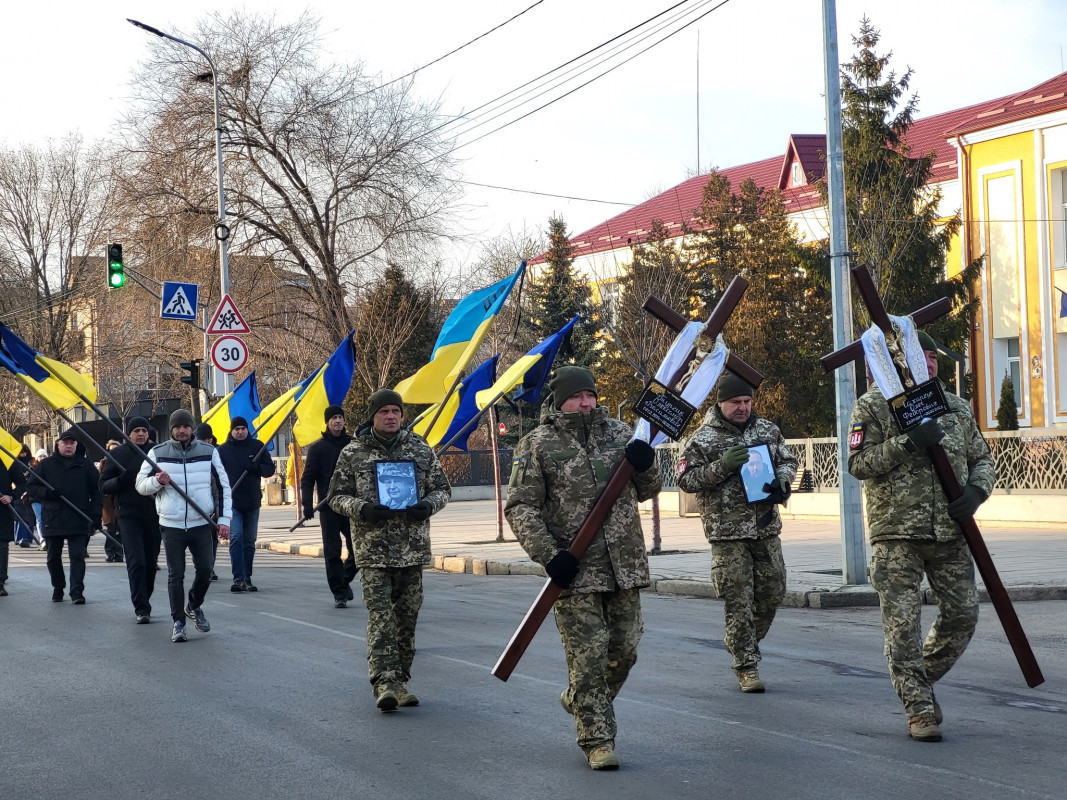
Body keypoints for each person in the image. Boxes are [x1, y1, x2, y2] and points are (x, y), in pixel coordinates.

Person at [504, 366, 662, 771]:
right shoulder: (537, 444)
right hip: (575, 572)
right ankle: (597, 740)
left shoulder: (621, 433)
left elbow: (649, 489)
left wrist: (646, 463)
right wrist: (548, 554)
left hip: (624, 565)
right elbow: (521, 506)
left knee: (624, 652)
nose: (586, 402)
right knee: (588, 659)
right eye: (577, 396)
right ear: (560, 401)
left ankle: (578, 700)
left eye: (590, 394)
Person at [847, 331, 995, 743]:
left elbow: (982, 457)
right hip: (897, 535)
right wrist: (909, 442)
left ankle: (917, 682)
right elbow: (858, 463)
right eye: (920, 356)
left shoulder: (956, 408)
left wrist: (976, 492)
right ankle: (919, 710)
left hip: (950, 532)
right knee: (903, 627)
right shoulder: (874, 405)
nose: (928, 364)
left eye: (932, 357)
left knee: (964, 614)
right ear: (901, 361)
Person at [328, 389, 451, 712]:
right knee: (381, 618)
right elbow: (336, 496)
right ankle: (384, 682)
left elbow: (442, 488)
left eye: (396, 411)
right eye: (384, 412)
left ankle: (401, 680)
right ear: (373, 416)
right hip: (373, 551)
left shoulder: (419, 449)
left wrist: (428, 505)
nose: (391, 416)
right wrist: (363, 508)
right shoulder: (353, 453)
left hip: (412, 550)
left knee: (407, 619)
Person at [677, 373, 797, 693]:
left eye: (747, 401)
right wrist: (723, 466)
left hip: (765, 527)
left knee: (773, 592)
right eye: (736, 402)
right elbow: (686, 480)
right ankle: (746, 665)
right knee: (738, 599)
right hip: (726, 533)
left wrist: (783, 483)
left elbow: (787, 461)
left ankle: (739, 640)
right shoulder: (702, 439)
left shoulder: (767, 430)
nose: (743, 407)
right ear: (721, 404)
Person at [136, 409, 232, 643]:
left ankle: (194, 605)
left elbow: (223, 487)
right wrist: (156, 481)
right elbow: (140, 485)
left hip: (202, 522)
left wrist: (223, 520)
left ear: (192, 429)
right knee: (175, 574)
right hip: (172, 524)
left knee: (206, 570)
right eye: (177, 427)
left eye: (186, 426)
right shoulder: (157, 452)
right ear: (171, 429)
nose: (182, 430)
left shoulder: (208, 452)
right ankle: (178, 622)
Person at [100, 418, 162, 623]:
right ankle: (141, 607)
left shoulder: (157, 452)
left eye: (144, 430)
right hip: (128, 515)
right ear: (128, 433)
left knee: (151, 564)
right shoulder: (117, 455)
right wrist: (121, 480)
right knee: (136, 562)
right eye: (136, 430)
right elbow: (103, 485)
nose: (141, 434)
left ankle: (145, 596)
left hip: (154, 514)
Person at [28, 431, 102, 604]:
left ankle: (77, 591)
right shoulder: (46, 465)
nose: (68, 446)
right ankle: (58, 586)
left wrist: (95, 514)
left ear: (76, 445)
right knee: (53, 556)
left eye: (72, 443)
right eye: (65, 443)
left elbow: (96, 492)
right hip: (54, 516)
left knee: (77, 556)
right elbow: (32, 486)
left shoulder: (85, 465)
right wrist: (47, 493)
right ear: (58, 445)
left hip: (78, 516)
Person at [301, 404, 358, 608]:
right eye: (333, 418)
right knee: (332, 552)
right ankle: (339, 593)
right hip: (329, 507)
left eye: (340, 417)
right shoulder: (318, 448)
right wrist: (307, 504)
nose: (337, 421)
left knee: (358, 550)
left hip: (352, 506)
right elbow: (308, 479)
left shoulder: (353, 445)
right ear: (327, 422)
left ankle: (343, 580)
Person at [217, 416, 275, 593]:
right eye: (237, 429)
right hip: (232, 502)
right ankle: (238, 578)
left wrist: (256, 468)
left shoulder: (257, 447)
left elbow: (269, 469)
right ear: (231, 431)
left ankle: (247, 577)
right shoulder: (223, 450)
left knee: (249, 541)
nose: (240, 432)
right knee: (236, 538)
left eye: (243, 428)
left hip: (252, 501)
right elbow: (215, 475)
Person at [194, 423, 222, 581]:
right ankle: (202, 567)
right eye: (202, 439)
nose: (205, 442)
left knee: (212, 538)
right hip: (197, 503)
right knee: (199, 539)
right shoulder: (192, 453)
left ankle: (209, 568)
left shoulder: (217, 454)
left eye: (208, 439)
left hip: (214, 502)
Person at [99, 440, 125, 563]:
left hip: (120, 498)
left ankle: (119, 553)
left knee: (120, 528)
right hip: (108, 500)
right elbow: (101, 480)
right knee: (110, 528)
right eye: (111, 449)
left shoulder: (124, 463)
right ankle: (109, 552)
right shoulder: (104, 463)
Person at [0, 453, 21, 596]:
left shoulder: (6, 459)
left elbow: (22, 482)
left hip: (2, 510)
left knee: (1, 546)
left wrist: (11, 496)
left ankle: (0, 581)